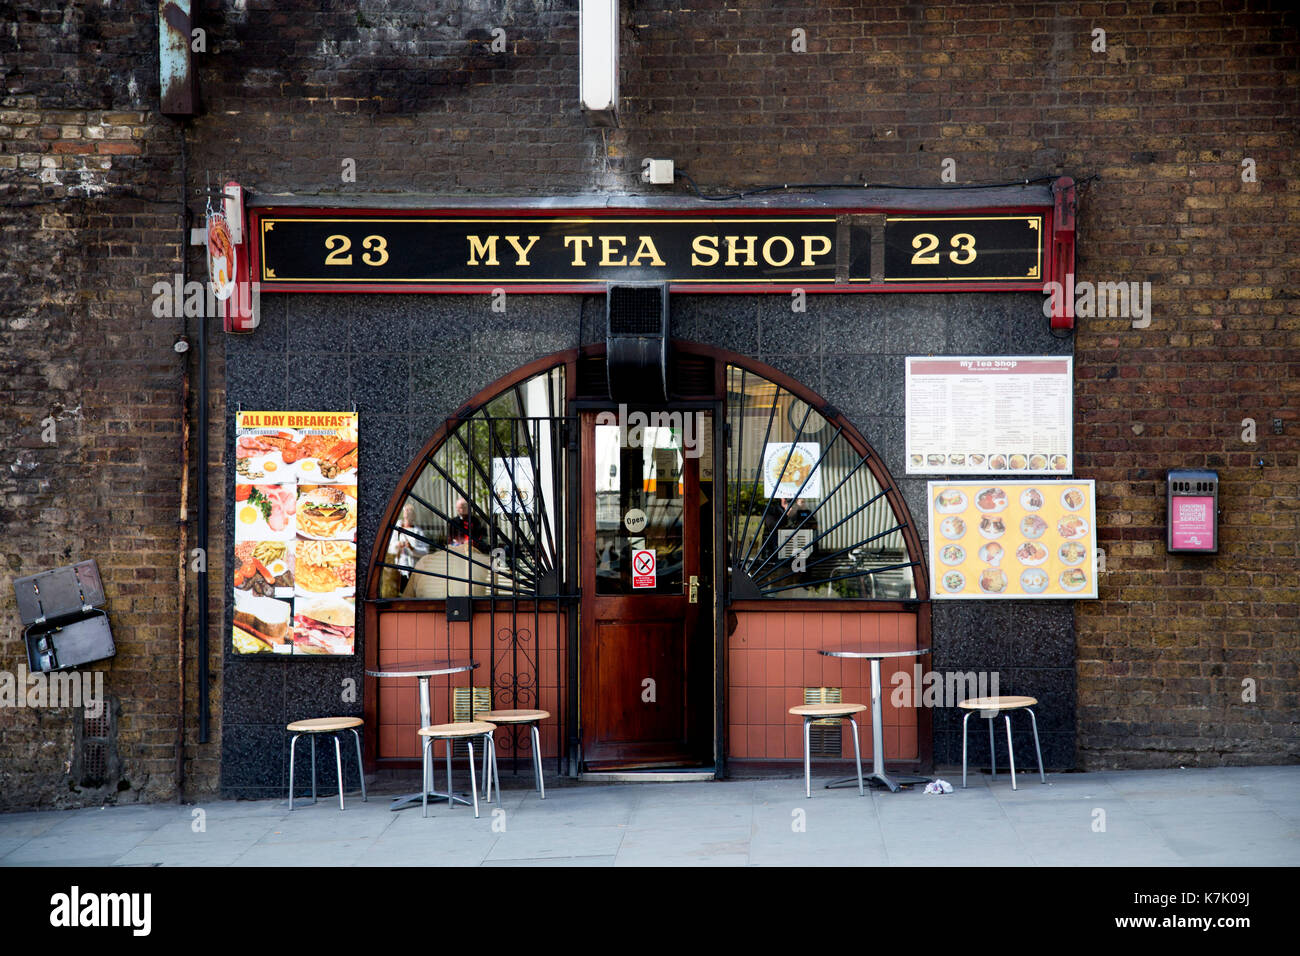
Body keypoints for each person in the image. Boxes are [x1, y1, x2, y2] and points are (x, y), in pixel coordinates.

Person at [386, 504, 429, 590]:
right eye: (406, 511)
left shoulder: (418, 531)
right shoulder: (397, 529)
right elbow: (389, 549)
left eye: (410, 511)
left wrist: (412, 548)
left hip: (414, 570)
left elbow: (425, 552)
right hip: (399, 569)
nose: (407, 513)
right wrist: (398, 545)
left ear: (413, 515)